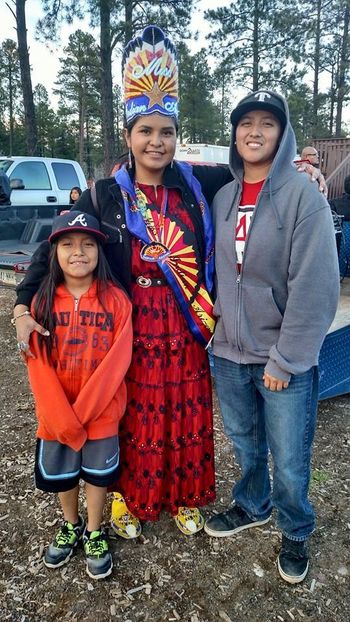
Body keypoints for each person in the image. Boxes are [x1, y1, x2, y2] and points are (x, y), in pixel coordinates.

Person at [12, 28, 327, 540]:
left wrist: (300, 171)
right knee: (134, 415)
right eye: (146, 132)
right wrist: (24, 305)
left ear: (176, 137)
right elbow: (58, 247)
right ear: (130, 135)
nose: (157, 142)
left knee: (186, 412)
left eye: (166, 132)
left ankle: (183, 497)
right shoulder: (105, 195)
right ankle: (131, 500)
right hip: (132, 326)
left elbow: (256, 174)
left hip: (184, 324)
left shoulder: (197, 183)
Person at [203, 91, 339, 585]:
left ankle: (296, 528)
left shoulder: (304, 196)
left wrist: (285, 360)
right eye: (245, 123)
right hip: (228, 351)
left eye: (267, 123)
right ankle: (252, 505)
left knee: (289, 454)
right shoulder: (222, 198)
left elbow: (317, 287)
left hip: (280, 358)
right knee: (244, 441)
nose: (254, 132)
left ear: (283, 135)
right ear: (234, 133)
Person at [20, 210, 132, 579]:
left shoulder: (116, 300)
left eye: (87, 244)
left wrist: (83, 412)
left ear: (100, 252)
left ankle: (94, 529)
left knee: (98, 477)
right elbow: (37, 364)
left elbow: (118, 362)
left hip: (101, 413)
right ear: (54, 253)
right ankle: (70, 523)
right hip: (56, 413)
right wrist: (60, 414)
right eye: (67, 244)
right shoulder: (41, 302)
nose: (78, 252)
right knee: (64, 477)